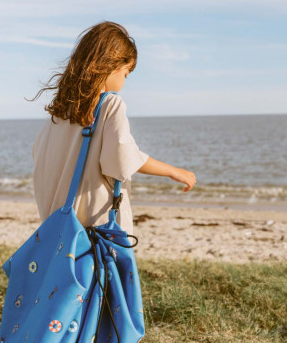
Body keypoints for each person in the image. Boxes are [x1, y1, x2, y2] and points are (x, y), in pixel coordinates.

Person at [29, 21, 196, 237]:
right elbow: (122, 158)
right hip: (95, 237)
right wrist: (173, 171)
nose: (124, 82)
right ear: (111, 65)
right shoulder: (110, 104)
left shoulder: (58, 116)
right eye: (126, 73)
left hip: (58, 235)